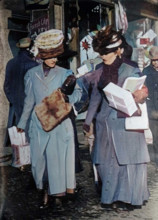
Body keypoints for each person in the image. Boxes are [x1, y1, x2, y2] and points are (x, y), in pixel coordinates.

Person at [82, 26, 150, 211]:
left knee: (126, 161)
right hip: (104, 123)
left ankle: (126, 199)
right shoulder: (98, 70)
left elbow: (142, 90)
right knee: (106, 163)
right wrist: (88, 121)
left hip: (125, 122)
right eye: (101, 52)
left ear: (119, 50)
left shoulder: (131, 68)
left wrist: (140, 95)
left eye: (107, 52)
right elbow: (95, 97)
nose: (104, 56)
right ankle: (110, 196)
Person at [16, 29, 82, 208]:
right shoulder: (31, 74)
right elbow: (29, 101)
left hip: (59, 123)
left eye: (56, 56)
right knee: (39, 161)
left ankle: (55, 194)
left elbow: (78, 93)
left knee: (56, 161)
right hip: (38, 124)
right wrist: (22, 123)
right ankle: (43, 190)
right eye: (50, 56)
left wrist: (68, 98)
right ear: (42, 56)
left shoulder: (65, 73)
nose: (54, 60)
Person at [3, 37, 39, 147]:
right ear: (30, 49)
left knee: (17, 138)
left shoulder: (11, 63)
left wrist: (13, 100)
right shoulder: (34, 65)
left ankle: (19, 160)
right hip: (30, 105)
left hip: (15, 105)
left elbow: (6, 87)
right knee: (31, 136)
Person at [143, 46, 158, 165]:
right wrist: (151, 110)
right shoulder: (146, 72)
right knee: (156, 138)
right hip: (153, 110)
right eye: (153, 60)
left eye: (157, 60)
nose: (155, 63)